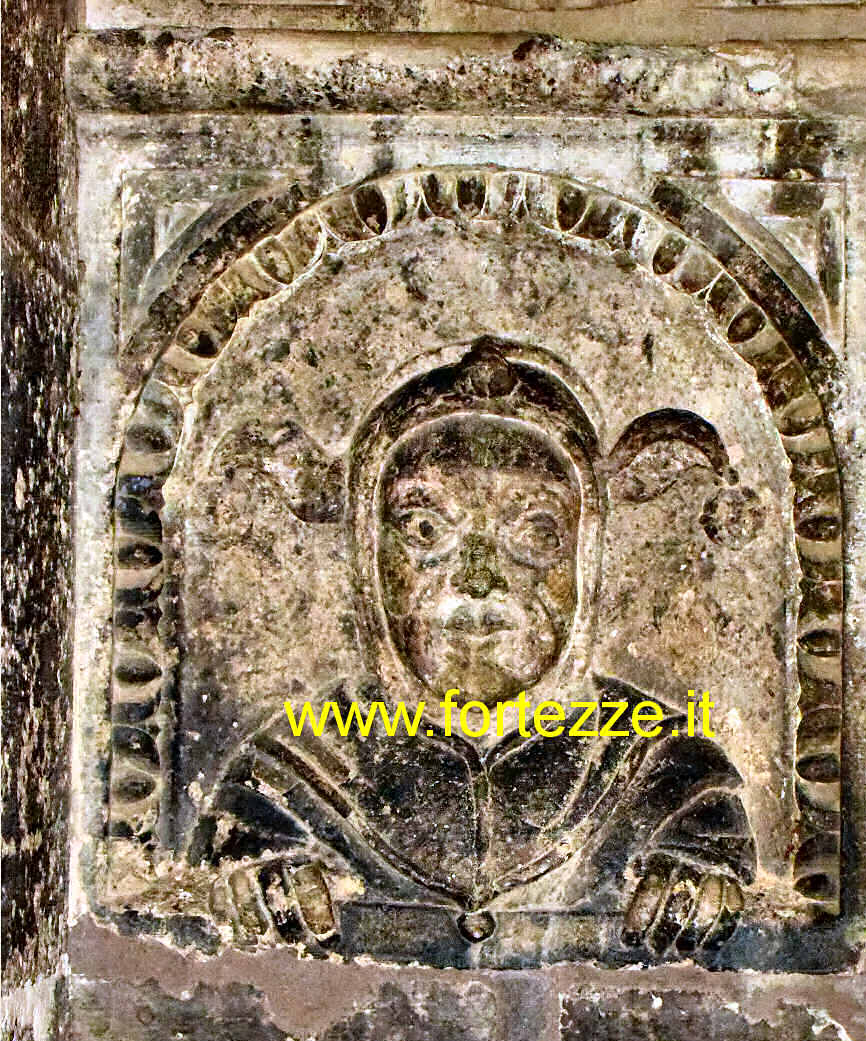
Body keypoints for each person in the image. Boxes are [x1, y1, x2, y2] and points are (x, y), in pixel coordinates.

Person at [197, 340, 754, 955]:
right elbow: (235, 867)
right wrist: (254, 873)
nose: (478, 578)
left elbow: (712, 862)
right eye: (426, 530)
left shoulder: (668, 771)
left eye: (535, 532)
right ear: (369, 557)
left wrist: (699, 872)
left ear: (586, 558)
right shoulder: (288, 776)